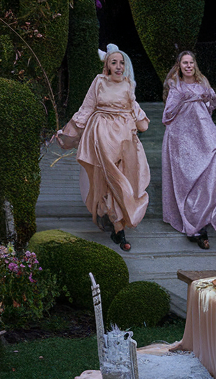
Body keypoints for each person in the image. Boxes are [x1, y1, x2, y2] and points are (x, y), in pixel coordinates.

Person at [55, 45, 149, 252]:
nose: (118, 66)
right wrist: (70, 131)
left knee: (125, 177)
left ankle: (117, 219)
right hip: (101, 135)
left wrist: (141, 122)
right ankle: (118, 228)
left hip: (124, 137)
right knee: (109, 178)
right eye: (114, 62)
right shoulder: (98, 82)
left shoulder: (127, 84)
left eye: (121, 62)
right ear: (106, 65)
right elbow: (87, 107)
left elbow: (133, 107)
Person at [160, 51, 216, 249]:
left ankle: (208, 213)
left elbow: (214, 103)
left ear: (195, 65)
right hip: (182, 137)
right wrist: (182, 99)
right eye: (184, 63)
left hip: (205, 133)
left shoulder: (202, 83)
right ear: (179, 66)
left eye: (191, 62)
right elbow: (167, 116)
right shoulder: (176, 87)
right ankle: (196, 225)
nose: (188, 66)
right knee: (188, 178)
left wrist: (207, 96)